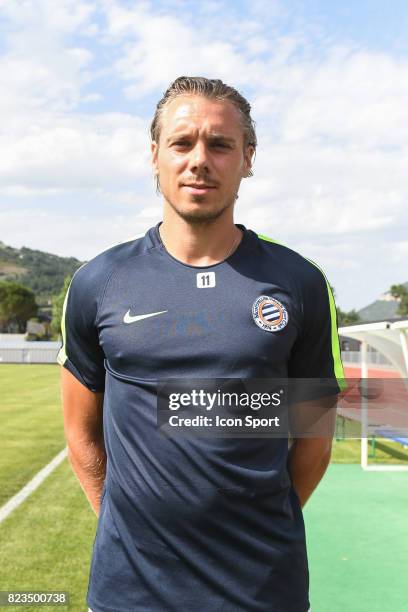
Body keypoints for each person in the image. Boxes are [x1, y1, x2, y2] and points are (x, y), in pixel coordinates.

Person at [59, 76, 345, 612]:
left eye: (220, 144)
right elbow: (81, 431)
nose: (199, 160)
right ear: (155, 155)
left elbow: (314, 442)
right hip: (130, 592)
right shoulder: (100, 282)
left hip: (262, 590)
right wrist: (130, 528)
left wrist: (256, 526)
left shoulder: (300, 284)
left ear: (248, 158)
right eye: (182, 142)